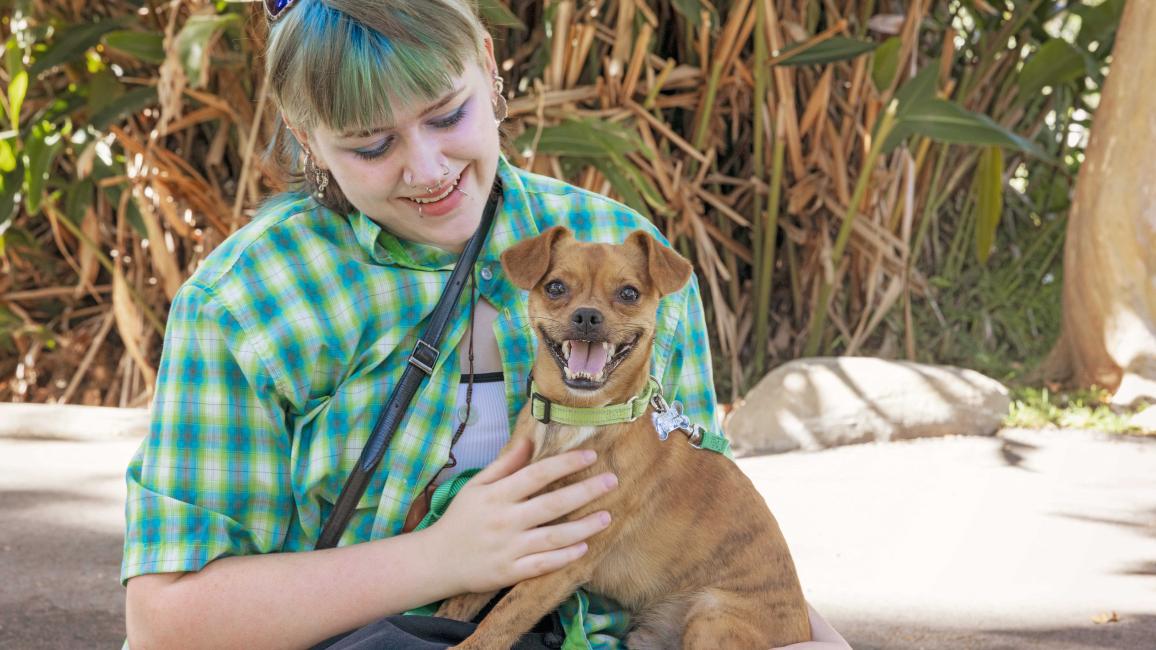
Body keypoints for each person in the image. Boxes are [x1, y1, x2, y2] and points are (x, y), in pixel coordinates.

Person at [121, 1, 851, 648]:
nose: (428, 168)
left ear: (490, 68)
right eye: (371, 145)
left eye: (447, 115)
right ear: (306, 140)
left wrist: (809, 639)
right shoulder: (249, 300)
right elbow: (165, 624)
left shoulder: (625, 254)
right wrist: (446, 557)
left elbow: (696, 523)